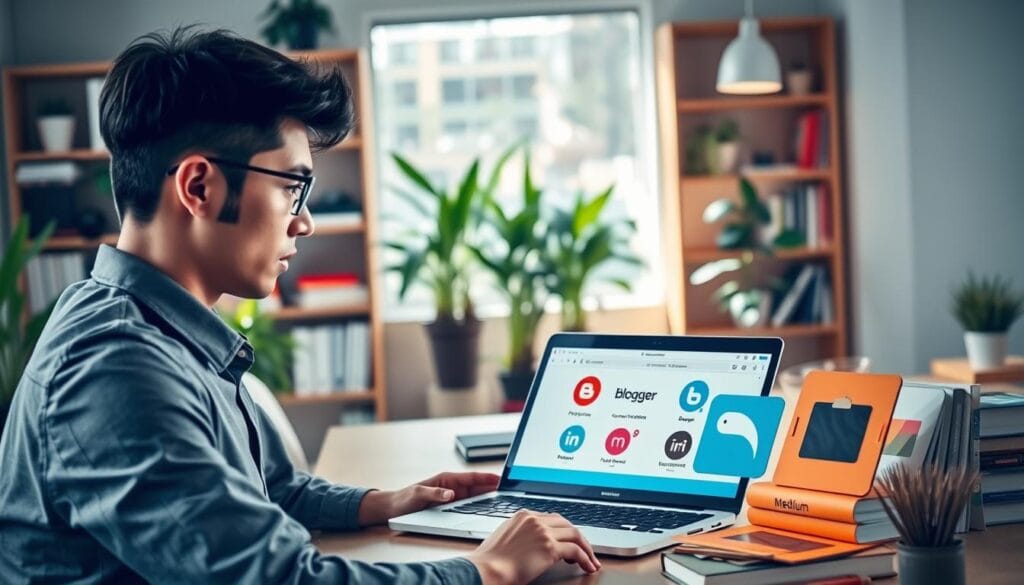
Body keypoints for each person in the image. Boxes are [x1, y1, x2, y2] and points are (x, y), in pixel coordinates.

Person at [0, 27, 599, 584]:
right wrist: (488, 568)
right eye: (292, 187)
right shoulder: (114, 367)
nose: (305, 221)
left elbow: (267, 490)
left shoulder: (161, 328)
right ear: (199, 187)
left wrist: (383, 503)